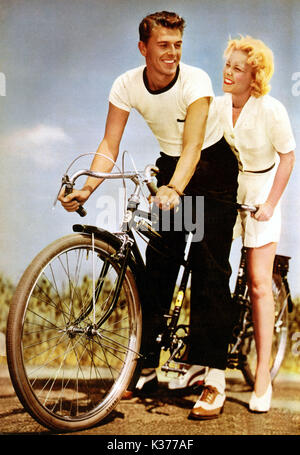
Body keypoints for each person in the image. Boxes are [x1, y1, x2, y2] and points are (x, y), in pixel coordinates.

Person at [59, 11, 239, 420]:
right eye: (163, 45)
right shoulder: (126, 85)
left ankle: (213, 376)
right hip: (172, 169)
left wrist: (175, 189)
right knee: (159, 267)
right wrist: (88, 187)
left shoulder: (195, 81)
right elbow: (109, 142)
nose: (172, 52)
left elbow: (193, 147)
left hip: (210, 172)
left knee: (209, 267)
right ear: (144, 48)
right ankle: (145, 366)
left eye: (177, 44)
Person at [216, 35, 295, 412]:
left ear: (255, 76)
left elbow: (288, 158)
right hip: (229, 189)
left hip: (263, 190)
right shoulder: (217, 106)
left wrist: (270, 203)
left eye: (238, 68)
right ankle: (205, 364)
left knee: (260, 283)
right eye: (227, 64)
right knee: (211, 269)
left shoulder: (271, 109)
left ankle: (263, 375)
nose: (228, 72)